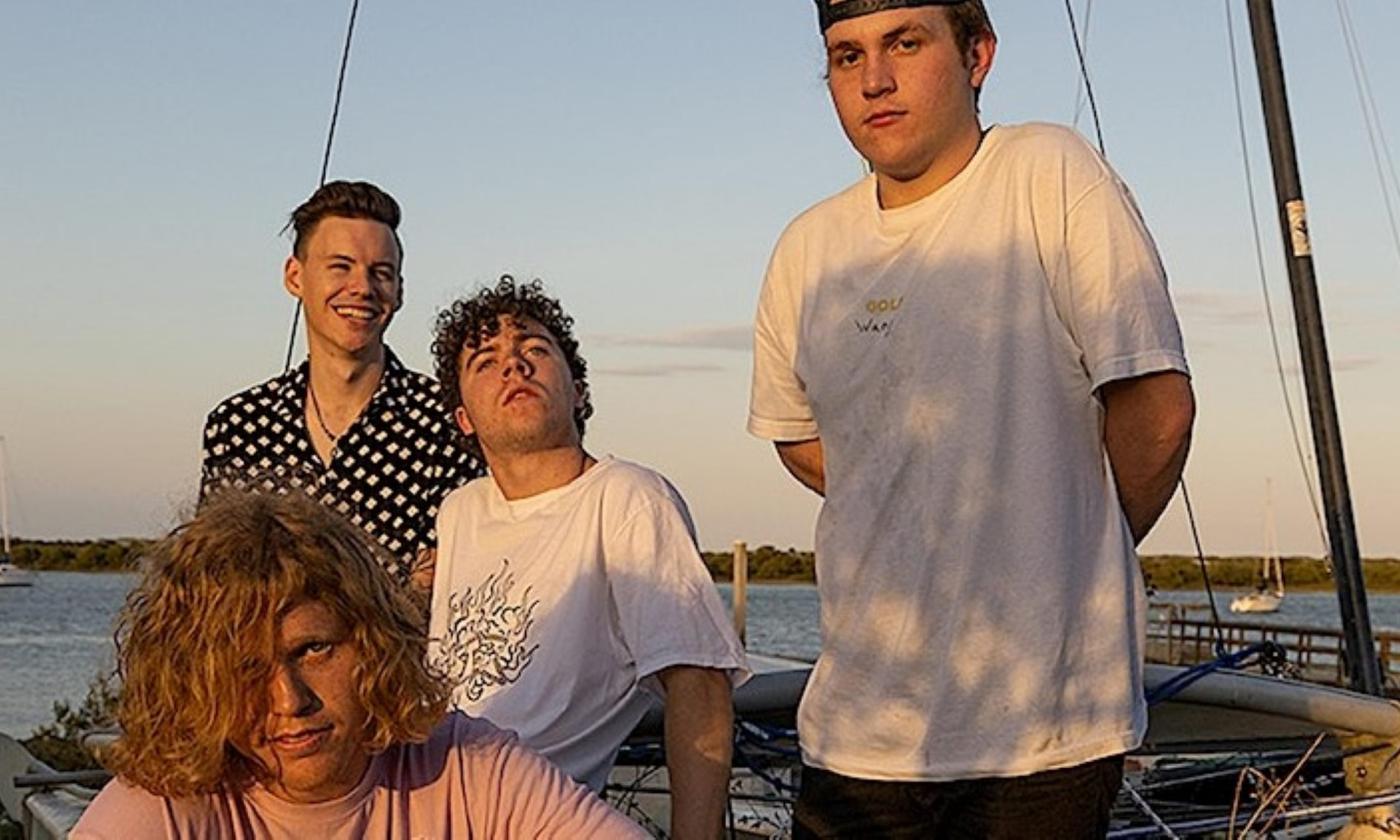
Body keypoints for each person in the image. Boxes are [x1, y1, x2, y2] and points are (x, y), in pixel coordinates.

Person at [748, 1, 1196, 836]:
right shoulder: (806, 250)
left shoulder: (1047, 174)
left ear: (977, 55)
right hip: (853, 739)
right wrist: (910, 501)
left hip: (1039, 744)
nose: (873, 78)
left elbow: (1158, 411)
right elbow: (800, 436)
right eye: (846, 58)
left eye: (904, 43)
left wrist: (1065, 549)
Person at [70, 489, 646, 838]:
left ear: (371, 641)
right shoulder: (168, 805)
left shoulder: (470, 769)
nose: (290, 701)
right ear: (197, 682)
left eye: (314, 650)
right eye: (246, 669)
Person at [427, 276, 749, 840]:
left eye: (534, 350)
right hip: (428, 806)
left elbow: (697, 681)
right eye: (486, 361)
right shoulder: (459, 511)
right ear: (464, 419)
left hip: (533, 819)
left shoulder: (625, 498)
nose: (514, 367)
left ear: (577, 390)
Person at [199, 181, 479, 589]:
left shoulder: (449, 421)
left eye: (381, 273)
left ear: (399, 291)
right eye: (340, 266)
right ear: (295, 276)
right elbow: (216, 584)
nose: (362, 288)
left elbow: (457, 583)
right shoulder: (236, 426)